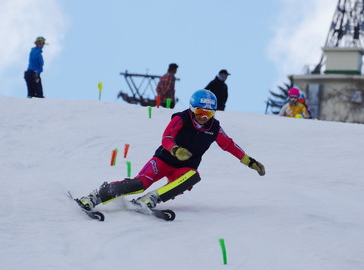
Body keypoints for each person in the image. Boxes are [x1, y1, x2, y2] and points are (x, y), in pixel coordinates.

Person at [76, 89, 265, 211]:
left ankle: (150, 200)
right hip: (163, 161)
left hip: (183, 169)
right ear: (192, 109)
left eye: (208, 113)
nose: (203, 117)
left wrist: (249, 161)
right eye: (199, 112)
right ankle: (94, 197)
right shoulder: (181, 118)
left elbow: (229, 145)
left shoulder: (214, 128)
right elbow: (166, 137)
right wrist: (175, 150)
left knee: (193, 176)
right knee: (139, 183)